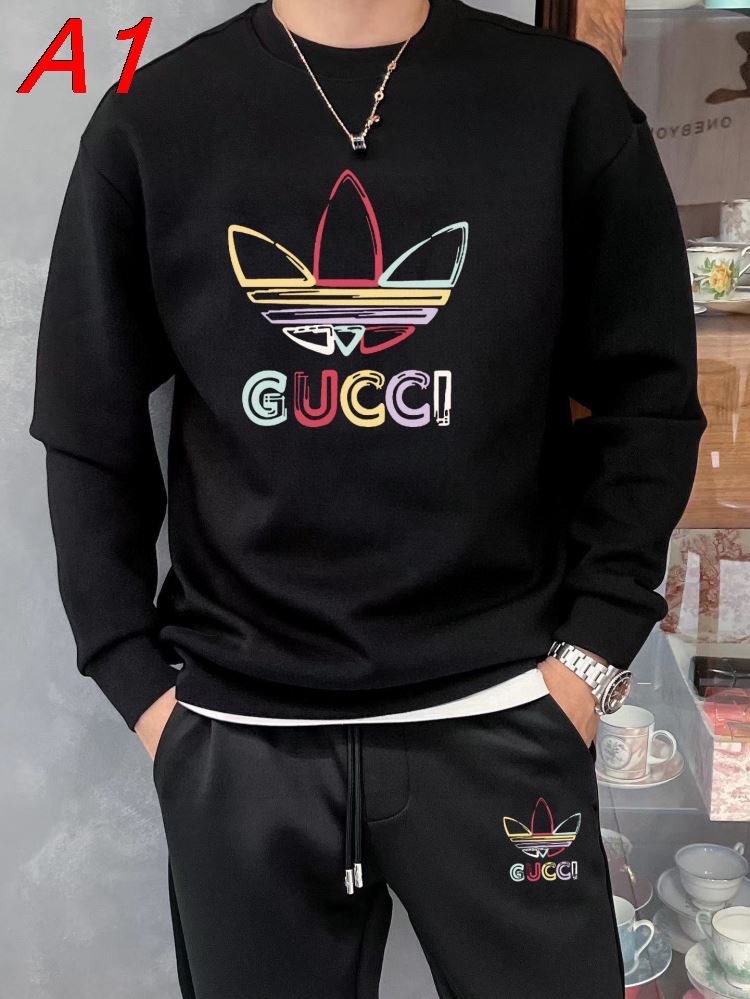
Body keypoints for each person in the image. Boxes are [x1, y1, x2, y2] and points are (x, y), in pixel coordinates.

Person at [29, 0, 706, 996]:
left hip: (507, 717)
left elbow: (650, 398)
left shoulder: (561, 102)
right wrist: (137, 683)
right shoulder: (156, 117)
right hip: (239, 736)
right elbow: (85, 422)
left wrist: (592, 661)